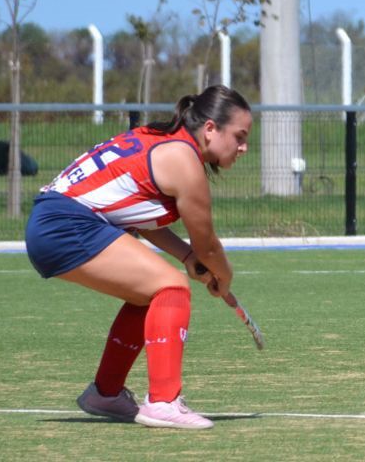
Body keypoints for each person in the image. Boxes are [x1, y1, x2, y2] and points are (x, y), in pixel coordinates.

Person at [24, 85, 252, 429]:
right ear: (210, 129)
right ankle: (163, 402)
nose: (244, 147)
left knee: (148, 294)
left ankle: (105, 393)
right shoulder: (183, 160)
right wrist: (224, 276)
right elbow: (209, 247)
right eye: (239, 136)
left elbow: (139, 218)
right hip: (65, 225)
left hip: (54, 222)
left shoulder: (159, 139)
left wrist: (187, 256)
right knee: (171, 287)